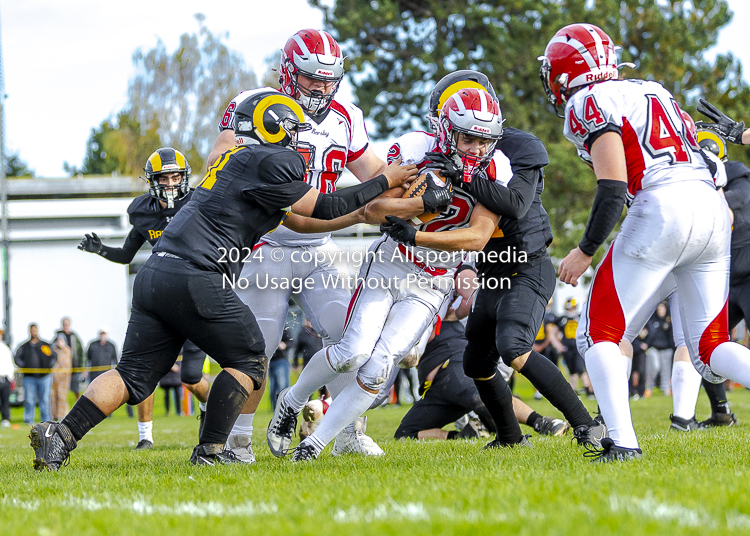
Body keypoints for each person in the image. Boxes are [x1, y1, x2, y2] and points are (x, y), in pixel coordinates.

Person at [29, 89, 415, 471]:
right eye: (293, 130)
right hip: (197, 273)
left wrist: (362, 215)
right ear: (278, 129)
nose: (298, 138)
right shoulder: (270, 160)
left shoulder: (236, 162)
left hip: (156, 272)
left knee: (131, 375)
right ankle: (213, 449)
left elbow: (299, 219)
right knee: (249, 358)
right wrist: (384, 181)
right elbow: (325, 204)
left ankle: (60, 436)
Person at [540, 23, 750, 461]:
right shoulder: (654, 89)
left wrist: (585, 249)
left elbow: (613, 184)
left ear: (563, 73)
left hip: (662, 206)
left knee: (599, 333)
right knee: (710, 349)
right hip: (711, 206)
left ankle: (623, 443)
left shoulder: (587, 100)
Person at [209, 29, 417, 462]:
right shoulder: (259, 102)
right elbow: (218, 155)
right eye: (310, 78)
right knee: (257, 346)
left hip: (319, 245)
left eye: (328, 79)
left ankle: (345, 433)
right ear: (288, 73)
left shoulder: (346, 116)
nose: (321, 87)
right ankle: (239, 440)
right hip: (263, 244)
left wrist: (422, 195)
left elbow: (376, 173)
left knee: (350, 333)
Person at [267, 87, 498, 461]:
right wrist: (420, 203)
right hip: (391, 262)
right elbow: (373, 210)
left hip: (433, 281)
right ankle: (290, 400)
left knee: (379, 367)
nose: (475, 149)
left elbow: (478, 237)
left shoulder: (496, 166)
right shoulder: (415, 148)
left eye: (483, 140)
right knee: (351, 352)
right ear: (445, 131)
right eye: (468, 137)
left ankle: (313, 444)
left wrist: (419, 229)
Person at [421, 74, 606, 449]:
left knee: (514, 345)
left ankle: (587, 426)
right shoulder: (437, 154)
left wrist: (463, 174)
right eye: (463, 131)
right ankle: (509, 436)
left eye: (479, 134)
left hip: (527, 262)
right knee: (475, 362)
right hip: (492, 266)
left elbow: (515, 205)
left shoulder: (518, 146)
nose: (473, 141)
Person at [79, 148, 211, 450]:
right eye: (164, 177)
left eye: (176, 176)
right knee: (143, 370)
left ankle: (208, 409)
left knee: (191, 377)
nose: (170, 183)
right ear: (152, 180)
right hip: (160, 297)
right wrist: (101, 250)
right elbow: (127, 254)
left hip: (195, 295)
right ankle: (145, 436)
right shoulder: (143, 211)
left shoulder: (199, 202)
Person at [395, 269, 570, 440]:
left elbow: (466, 297)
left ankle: (542, 422)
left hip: (452, 365)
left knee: (480, 397)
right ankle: (465, 436)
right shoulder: (402, 309)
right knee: (405, 433)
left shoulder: (435, 302)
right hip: (437, 390)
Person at [15, 323, 55, 425]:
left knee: (45, 400)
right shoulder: (24, 346)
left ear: (38, 331)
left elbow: (54, 356)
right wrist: (24, 365)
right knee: (29, 400)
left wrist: (49, 366)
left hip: (44, 377)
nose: (34, 332)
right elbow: (17, 358)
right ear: (29, 331)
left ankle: (46, 420)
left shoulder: (45, 345)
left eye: (35, 330)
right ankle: (28, 420)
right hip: (29, 378)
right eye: (32, 330)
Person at [643, 303, 674, 397]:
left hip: (667, 349)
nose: (660, 311)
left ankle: (666, 389)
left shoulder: (669, 322)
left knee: (666, 370)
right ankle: (649, 388)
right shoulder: (652, 321)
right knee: (654, 367)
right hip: (654, 348)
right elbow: (649, 335)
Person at [54, 318, 84, 401]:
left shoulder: (74, 336)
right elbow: (52, 349)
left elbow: (81, 352)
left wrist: (82, 367)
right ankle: (63, 409)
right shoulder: (57, 337)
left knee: (76, 390)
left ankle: (78, 408)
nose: (65, 326)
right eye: (64, 324)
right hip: (62, 370)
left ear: (70, 325)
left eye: (67, 324)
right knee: (62, 392)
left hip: (74, 368)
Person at [268, 328, 293, 410]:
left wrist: (284, 345)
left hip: (281, 360)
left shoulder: (284, 329)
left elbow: (292, 342)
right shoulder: (269, 329)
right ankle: (275, 408)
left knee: (282, 386)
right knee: (272, 387)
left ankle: (283, 407)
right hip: (271, 361)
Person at [50, 334, 72, 420]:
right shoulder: (54, 351)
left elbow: (66, 364)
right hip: (54, 378)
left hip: (64, 378)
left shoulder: (67, 351)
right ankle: (54, 415)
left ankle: (62, 415)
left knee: (62, 397)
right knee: (53, 396)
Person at [0, 327, 14, 428]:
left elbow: (10, 364)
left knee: (5, 400)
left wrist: (10, 377)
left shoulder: (5, 348)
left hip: (4, 379)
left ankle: (5, 419)